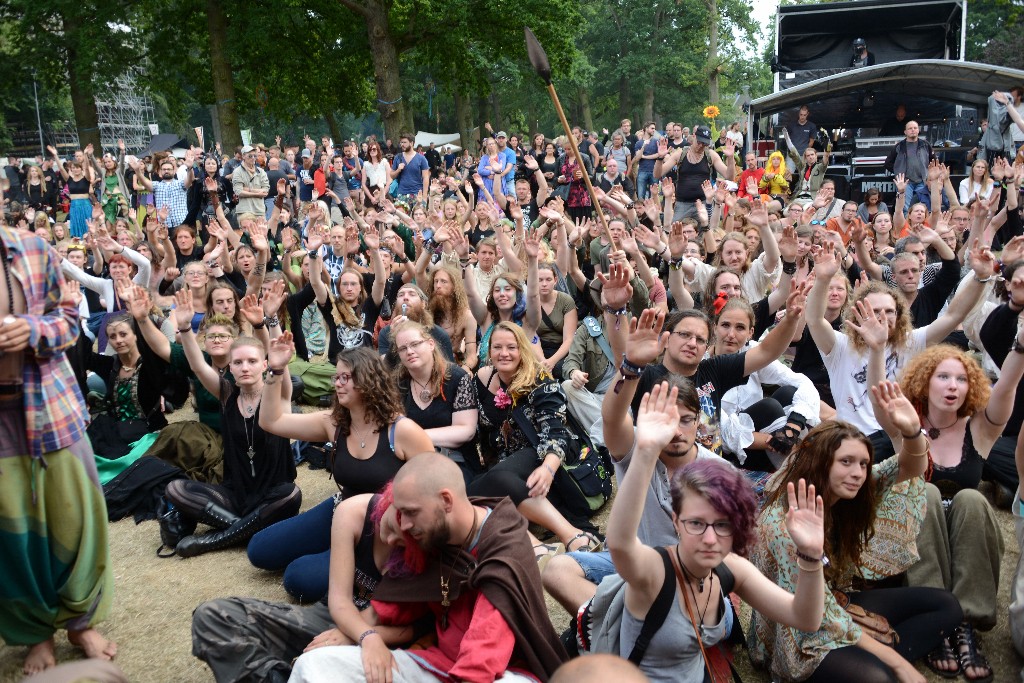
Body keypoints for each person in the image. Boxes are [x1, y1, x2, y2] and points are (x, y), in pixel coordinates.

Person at [603, 381, 825, 681]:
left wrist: (811, 556)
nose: (709, 539)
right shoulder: (654, 570)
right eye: (696, 523)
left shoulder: (730, 568)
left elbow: (806, 618)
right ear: (676, 521)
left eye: (721, 525)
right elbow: (619, 543)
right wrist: (645, 451)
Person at [288, 452, 568, 682]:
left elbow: (484, 654)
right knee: (314, 666)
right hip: (435, 664)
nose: (404, 525)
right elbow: (397, 608)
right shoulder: (436, 534)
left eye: (410, 513)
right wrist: (361, 634)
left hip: (501, 674)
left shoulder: (503, 548)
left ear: (446, 501)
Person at [748, 387, 962, 683]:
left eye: (862, 463)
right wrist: (897, 664)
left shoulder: (848, 491)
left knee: (946, 606)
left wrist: (913, 432)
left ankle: (865, 662)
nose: (858, 472)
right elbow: (818, 614)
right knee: (879, 677)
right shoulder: (782, 521)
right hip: (795, 631)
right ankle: (876, 664)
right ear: (820, 462)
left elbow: (908, 466)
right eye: (846, 462)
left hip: (836, 602)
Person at [0, 224, 116, 675]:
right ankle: (35, 633)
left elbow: (70, 323)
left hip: (50, 406)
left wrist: (31, 330)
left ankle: (80, 621)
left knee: (77, 521)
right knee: (12, 536)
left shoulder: (30, 249)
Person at [251, 336, 433, 602]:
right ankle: (331, 546)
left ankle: (344, 557)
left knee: (298, 578)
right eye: (336, 377)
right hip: (340, 509)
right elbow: (270, 421)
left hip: (380, 529)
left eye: (345, 377)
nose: (337, 383)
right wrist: (276, 370)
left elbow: (435, 486)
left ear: (368, 380)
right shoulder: (334, 423)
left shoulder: (402, 431)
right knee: (259, 550)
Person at [191, 486, 418, 683]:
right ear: (389, 498)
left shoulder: (435, 541)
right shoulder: (355, 512)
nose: (390, 541)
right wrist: (362, 635)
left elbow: (419, 629)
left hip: (384, 642)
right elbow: (338, 601)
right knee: (212, 616)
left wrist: (363, 637)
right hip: (333, 619)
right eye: (389, 528)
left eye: (405, 540)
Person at [898, 342, 1024, 681]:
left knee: (971, 498)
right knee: (923, 491)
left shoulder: (979, 428)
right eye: (943, 376)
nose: (953, 385)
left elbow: (1008, 385)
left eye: (962, 379)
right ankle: (935, 615)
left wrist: (1022, 345)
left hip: (966, 535)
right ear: (925, 381)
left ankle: (964, 622)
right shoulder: (907, 424)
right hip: (918, 536)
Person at [164, 292, 301, 557]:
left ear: (264, 365)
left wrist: (265, 324)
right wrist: (183, 327)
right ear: (231, 367)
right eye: (237, 362)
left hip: (273, 495)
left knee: (291, 494)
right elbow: (197, 366)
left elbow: (277, 356)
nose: (245, 367)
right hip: (234, 495)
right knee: (176, 488)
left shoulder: (277, 393)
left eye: (252, 361)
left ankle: (213, 540)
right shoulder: (226, 394)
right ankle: (244, 530)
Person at [471, 321, 604, 552]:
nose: (504, 353)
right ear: (489, 351)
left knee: (493, 481)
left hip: (543, 459)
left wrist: (548, 469)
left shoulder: (539, 380)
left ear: (522, 349)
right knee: (485, 485)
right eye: (497, 347)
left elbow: (557, 433)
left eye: (511, 347)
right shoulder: (482, 379)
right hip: (508, 470)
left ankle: (573, 536)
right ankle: (540, 549)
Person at [391, 321, 479, 484]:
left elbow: (466, 431)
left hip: (455, 461)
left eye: (415, 344)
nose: (409, 351)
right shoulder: (397, 384)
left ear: (431, 344)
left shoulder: (457, 377)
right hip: (411, 462)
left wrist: (414, 437)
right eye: (402, 348)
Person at [655, 126, 736, 222]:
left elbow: (729, 176)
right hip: (682, 204)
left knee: (707, 233)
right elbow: (658, 174)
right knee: (675, 230)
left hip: (703, 202)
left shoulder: (710, 155)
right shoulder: (681, 153)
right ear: (694, 136)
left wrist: (730, 158)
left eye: (705, 143)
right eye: (699, 142)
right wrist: (660, 158)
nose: (701, 146)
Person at [884, 121, 935, 215]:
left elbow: (934, 162)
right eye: (910, 128)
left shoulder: (925, 145)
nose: (913, 130)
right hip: (906, 183)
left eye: (915, 128)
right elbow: (888, 163)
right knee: (904, 208)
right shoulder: (899, 146)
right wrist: (898, 172)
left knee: (923, 208)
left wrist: (930, 176)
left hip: (922, 181)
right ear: (905, 132)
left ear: (918, 130)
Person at [389, 133, 430, 201]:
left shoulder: (421, 158)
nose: (402, 144)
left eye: (404, 142)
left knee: (417, 212)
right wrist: (398, 170)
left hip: (417, 194)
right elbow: (392, 176)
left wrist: (424, 196)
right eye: (401, 142)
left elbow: (425, 177)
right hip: (401, 194)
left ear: (411, 143)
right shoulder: (398, 157)